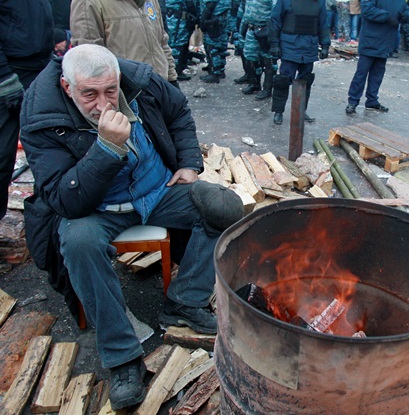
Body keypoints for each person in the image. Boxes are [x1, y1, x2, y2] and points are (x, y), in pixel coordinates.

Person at [20, 44, 244, 410]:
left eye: (111, 91)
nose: (103, 103)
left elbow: (179, 113)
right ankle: (122, 356)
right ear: (67, 87)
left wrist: (188, 164)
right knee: (78, 242)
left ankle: (184, 302)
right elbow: (65, 200)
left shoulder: (141, 81)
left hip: (155, 191)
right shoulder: (42, 118)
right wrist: (107, 148)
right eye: (89, 95)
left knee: (223, 206)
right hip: (96, 208)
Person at [0, 0, 54, 221]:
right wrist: (4, 78)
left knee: (46, 154)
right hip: (11, 73)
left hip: (34, 67)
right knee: (0, 160)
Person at [268, 0, 330, 125]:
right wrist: (274, 44)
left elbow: (323, 24)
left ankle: (301, 110)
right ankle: (278, 111)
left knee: (305, 81)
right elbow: (275, 22)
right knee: (283, 80)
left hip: (309, 47)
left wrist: (325, 45)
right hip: (289, 45)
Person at [345, 0, 408, 115]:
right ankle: (353, 101)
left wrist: (405, 16)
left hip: (386, 40)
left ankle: (372, 100)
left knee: (378, 73)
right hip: (371, 39)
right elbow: (367, 10)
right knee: (362, 73)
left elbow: (406, 10)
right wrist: (387, 17)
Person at [240, 0, 285, 98]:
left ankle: (267, 89)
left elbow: (277, 12)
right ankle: (254, 83)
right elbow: (248, 3)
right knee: (250, 57)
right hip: (251, 27)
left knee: (268, 61)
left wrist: (272, 36)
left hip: (266, 29)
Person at [161, 0, 198, 81]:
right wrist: (194, 14)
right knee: (179, 44)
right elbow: (189, 0)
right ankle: (176, 72)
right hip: (178, 18)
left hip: (164, 16)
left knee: (165, 43)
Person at [198, 0, 233, 84]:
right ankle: (220, 69)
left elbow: (210, 2)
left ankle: (215, 73)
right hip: (223, 17)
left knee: (212, 45)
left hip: (213, 18)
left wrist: (203, 19)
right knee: (222, 44)